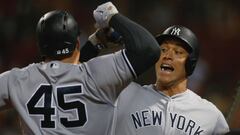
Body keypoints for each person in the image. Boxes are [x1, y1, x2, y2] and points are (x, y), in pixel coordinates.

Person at [0, 2, 160, 135]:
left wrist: (93, 46)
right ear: (77, 43)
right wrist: (111, 16)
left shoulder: (17, 80)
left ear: (40, 46)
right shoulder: (96, 74)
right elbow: (148, 49)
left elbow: (65, 73)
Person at [112, 25, 229, 135]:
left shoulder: (210, 115)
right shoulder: (124, 95)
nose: (167, 55)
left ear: (190, 64)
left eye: (178, 52)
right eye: (163, 49)